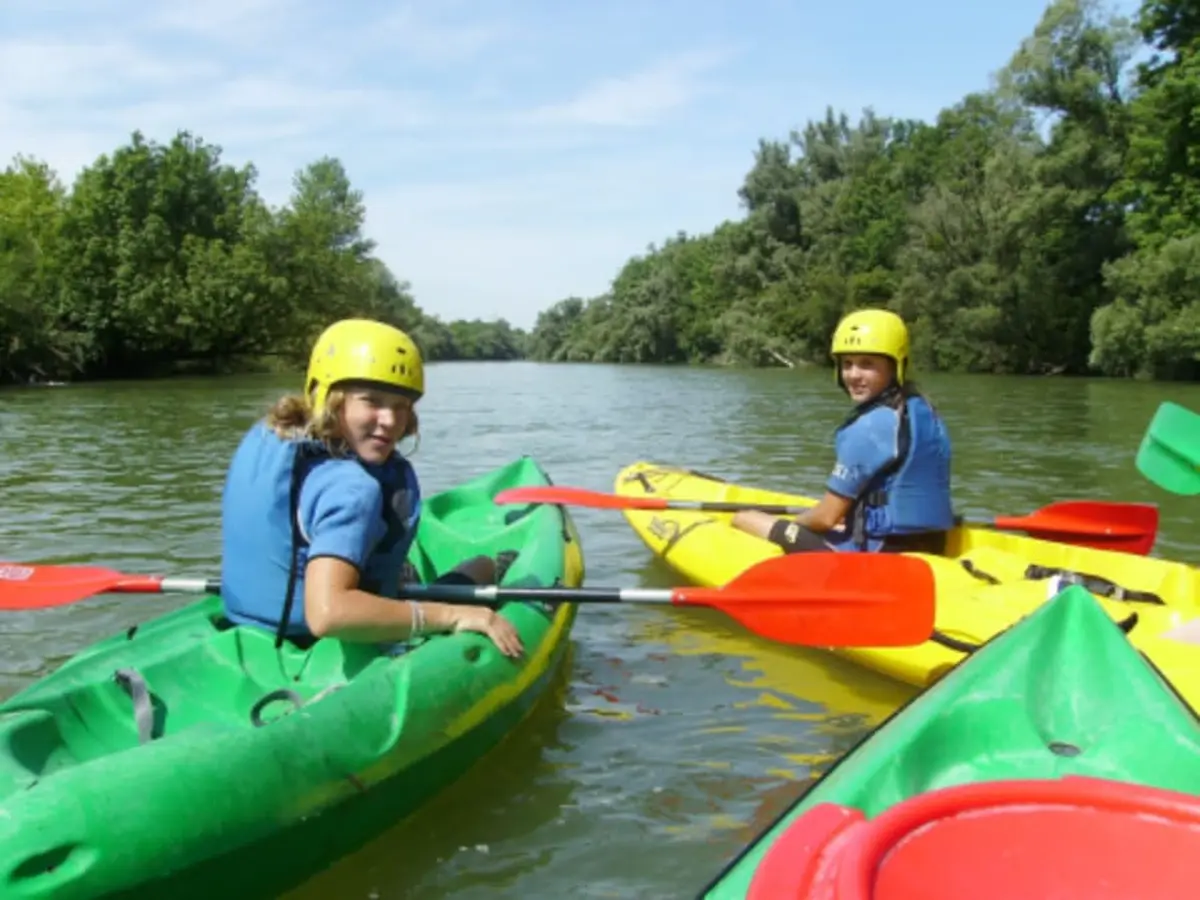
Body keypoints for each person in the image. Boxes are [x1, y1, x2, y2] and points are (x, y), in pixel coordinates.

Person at [219, 318, 523, 658]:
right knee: (481, 565)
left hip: (250, 632)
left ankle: (403, 574)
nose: (391, 421)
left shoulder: (268, 439)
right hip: (323, 645)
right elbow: (328, 614)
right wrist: (454, 615)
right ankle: (499, 564)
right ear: (332, 400)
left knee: (439, 569)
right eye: (372, 401)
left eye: (401, 406)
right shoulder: (351, 489)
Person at [732, 308, 954, 555]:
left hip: (877, 558)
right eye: (847, 364)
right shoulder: (925, 411)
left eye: (867, 364)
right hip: (932, 549)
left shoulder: (871, 426)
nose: (853, 375)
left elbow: (826, 518)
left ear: (894, 366)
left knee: (745, 518)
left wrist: (794, 526)